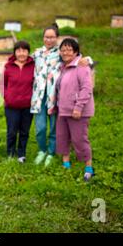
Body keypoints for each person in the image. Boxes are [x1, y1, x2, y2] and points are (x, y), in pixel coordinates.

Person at [30, 23, 91, 167]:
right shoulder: (37, 53)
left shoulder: (61, 52)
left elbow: (78, 57)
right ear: (43, 38)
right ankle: (41, 150)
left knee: (53, 127)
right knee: (40, 127)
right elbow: (22, 59)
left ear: (57, 38)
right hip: (38, 96)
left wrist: (87, 60)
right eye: (46, 37)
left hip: (55, 96)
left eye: (52, 37)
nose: (49, 40)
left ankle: (51, 152)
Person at [54, 38, 95, 181]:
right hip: (63, 110)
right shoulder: (62, 67)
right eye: (63, 49)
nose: (65, 52)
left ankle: (88, 167)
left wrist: (78, 107)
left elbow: (86, 88)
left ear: (76, 51)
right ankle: (66, 163)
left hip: (78, 111)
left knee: (79, 139)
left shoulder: (82, 66)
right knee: (62, 137)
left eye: (69, 49)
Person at [0, 41, 35, 163]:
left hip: (27, 106)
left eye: (24, 50)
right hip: (11, 106)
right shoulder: (8, 67)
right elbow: (2, 84)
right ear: (15, 52)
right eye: (19, 50)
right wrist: (6, 97)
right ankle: (10, 153)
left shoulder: (33, 66)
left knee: (24, 131)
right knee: (12, 131)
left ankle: (21, 154)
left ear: (28, 52)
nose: (21, 53)